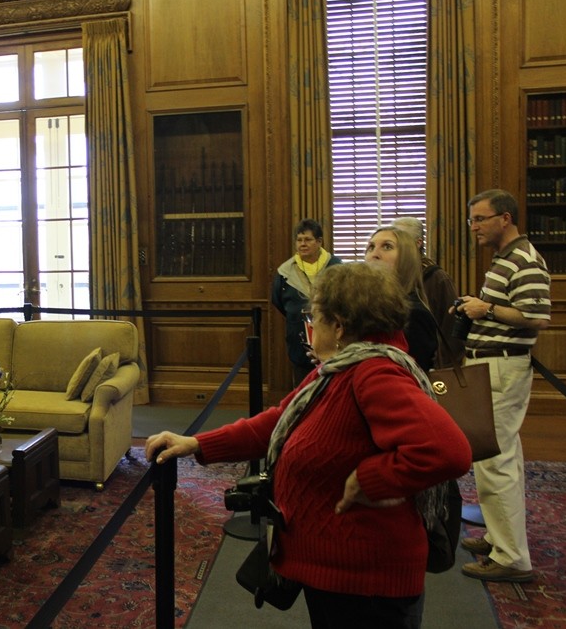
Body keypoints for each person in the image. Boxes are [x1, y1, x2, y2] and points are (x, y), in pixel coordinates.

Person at [147, 262, 471, 629]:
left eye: (314, 316)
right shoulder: (337, 371)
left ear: (339, 325)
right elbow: (280, 421)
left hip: (367, 586)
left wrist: (369, 479)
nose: (310, 326)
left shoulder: (374, 372)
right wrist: (196, 443)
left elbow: (448, 450)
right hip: (339, 575)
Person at [454, 189, 550, 583]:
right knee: (494, 459)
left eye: (480, 219)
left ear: (505, 218)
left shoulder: (524, 259)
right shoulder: (505, 258)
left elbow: (537, 316)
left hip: (503, 367)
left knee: (497, 461)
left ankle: (511, 558)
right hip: (491, 367)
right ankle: (498, 538)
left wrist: (487, 308)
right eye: (472, 220)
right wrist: (477, 305)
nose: (474, 227)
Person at [271, 219, 342, 386]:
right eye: (299, 240)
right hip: (299, 343)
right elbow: (278, 301)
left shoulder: (337, 268)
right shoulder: (285, 272)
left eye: (308, 240)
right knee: (303, 389)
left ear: (319, 241)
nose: (302, 244)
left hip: (333, 341)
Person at [364, 226, 437, 371]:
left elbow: (414, 373)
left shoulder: (414, 313)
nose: (374, 254)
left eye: (387, 246)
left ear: (406, 259)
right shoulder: (364, 307)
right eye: (371, 247)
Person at [392, 217, 463, 365]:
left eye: (403, 239)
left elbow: (451, 328)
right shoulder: (390, 278)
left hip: (430, 364)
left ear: (418, 243)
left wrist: (442, 366)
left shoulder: (437, 278)